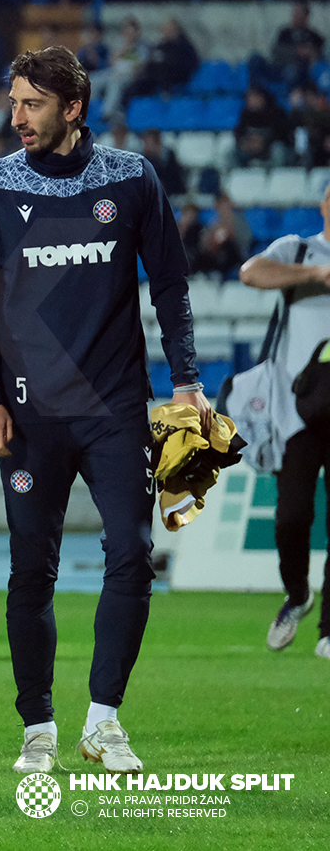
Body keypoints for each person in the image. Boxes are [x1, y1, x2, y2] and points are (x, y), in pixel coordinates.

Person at [0, 47, 206, 777]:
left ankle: (104, 721)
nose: (16, 117)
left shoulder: (130, 179)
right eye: (13, 103)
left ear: (73, 108)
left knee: (131, 555)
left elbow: (172, 286)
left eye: (31, 103)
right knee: (32, 570)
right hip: (29, 419)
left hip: (117, 411)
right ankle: (38, 726)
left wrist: (185, 379)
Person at [238, 184, 330, 660]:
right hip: (299, 411)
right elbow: (251, 272)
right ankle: (298, 594)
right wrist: (318, 273)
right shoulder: (298, 249)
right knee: (292, 517)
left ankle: (329, 629)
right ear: (324, 204)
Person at [193, 191, 252, 278]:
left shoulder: (239, 222)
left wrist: (230, 235)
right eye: (220, 206)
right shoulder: (214, 223)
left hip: (235, 255)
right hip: (216, 256)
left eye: (224, 205)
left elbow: (245, 241)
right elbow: (205, 243)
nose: (223, 209)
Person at [139, 128, 185, 197]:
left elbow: (176, 180)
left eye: (147, 142)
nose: (145, 145)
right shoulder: (144, 159)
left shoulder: (169, 156)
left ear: (157, 142)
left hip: (172, 193)